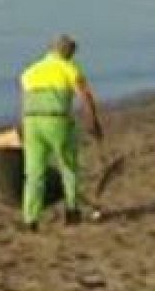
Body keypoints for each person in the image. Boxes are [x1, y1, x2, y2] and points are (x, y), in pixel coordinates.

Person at [18, 35, 105, 231]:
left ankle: (30, 219)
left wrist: (23, 126)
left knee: (34, 173)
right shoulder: (69, 67)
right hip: (57, 120)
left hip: (32, 121)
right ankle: (72, 211)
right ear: (69, 53)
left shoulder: (30, 71)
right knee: (68, 166)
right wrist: (93, 122)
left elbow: (24, 101)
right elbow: (85, 96)